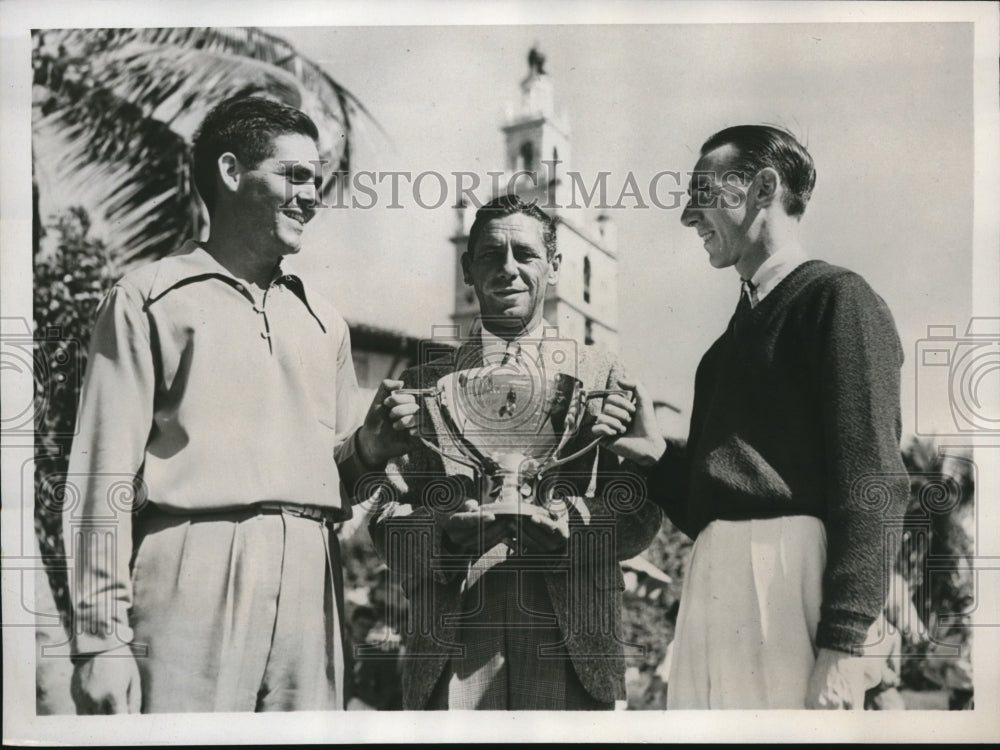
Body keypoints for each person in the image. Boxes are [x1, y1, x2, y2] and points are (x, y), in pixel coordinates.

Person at [64, 96, 416, 714]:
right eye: (294, 175)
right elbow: (101, 476)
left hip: (314, 577)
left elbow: (345, 482)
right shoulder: (149, 298)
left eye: (317, 180)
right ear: (231, 173)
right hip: (191, 571)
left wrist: (370, 448)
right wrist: (101, 641)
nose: (312, 196)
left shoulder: (324, 323)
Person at [608, 125, 910, 709]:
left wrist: (843, 645)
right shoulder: (720, 353)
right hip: (714, 590)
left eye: (704, 191)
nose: (688, 216)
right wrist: (658, 458)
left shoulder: (837, 299)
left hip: (794, 589)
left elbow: (872, 482)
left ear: (764, 186)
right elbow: (714, 510)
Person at [368, 194, 665, 710]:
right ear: (468, 268)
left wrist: (569, 527)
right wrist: (444, 534)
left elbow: (640, 510)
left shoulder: (601, 375)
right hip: (453, 644)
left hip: (571, 643)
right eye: (490, 255)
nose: (507, 269)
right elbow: (383, 520)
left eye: (525, 255)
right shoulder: (421, 386)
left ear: (553, 267)